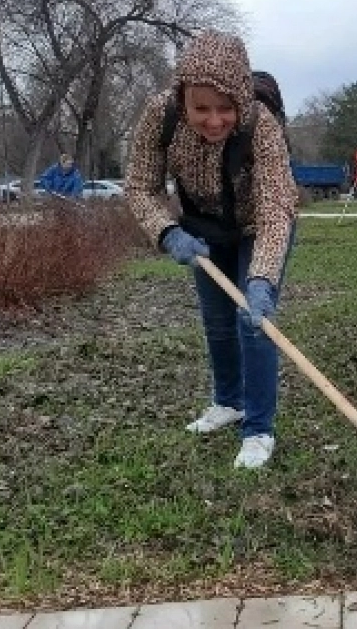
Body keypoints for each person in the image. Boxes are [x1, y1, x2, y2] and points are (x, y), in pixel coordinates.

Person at [124, 30, 298, 469]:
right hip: (201, 231)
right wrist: (166, 232)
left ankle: (258, 428)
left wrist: (260, 279)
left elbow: (278, 208)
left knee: (254, 323)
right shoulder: (159, 115)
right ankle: (228, 402)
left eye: (225, 109)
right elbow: (140, 187)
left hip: (259, 227)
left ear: (241, 100)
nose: (214, 120)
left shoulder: (262, 126)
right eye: (201, 108)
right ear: (183, 98)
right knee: (218, 322)